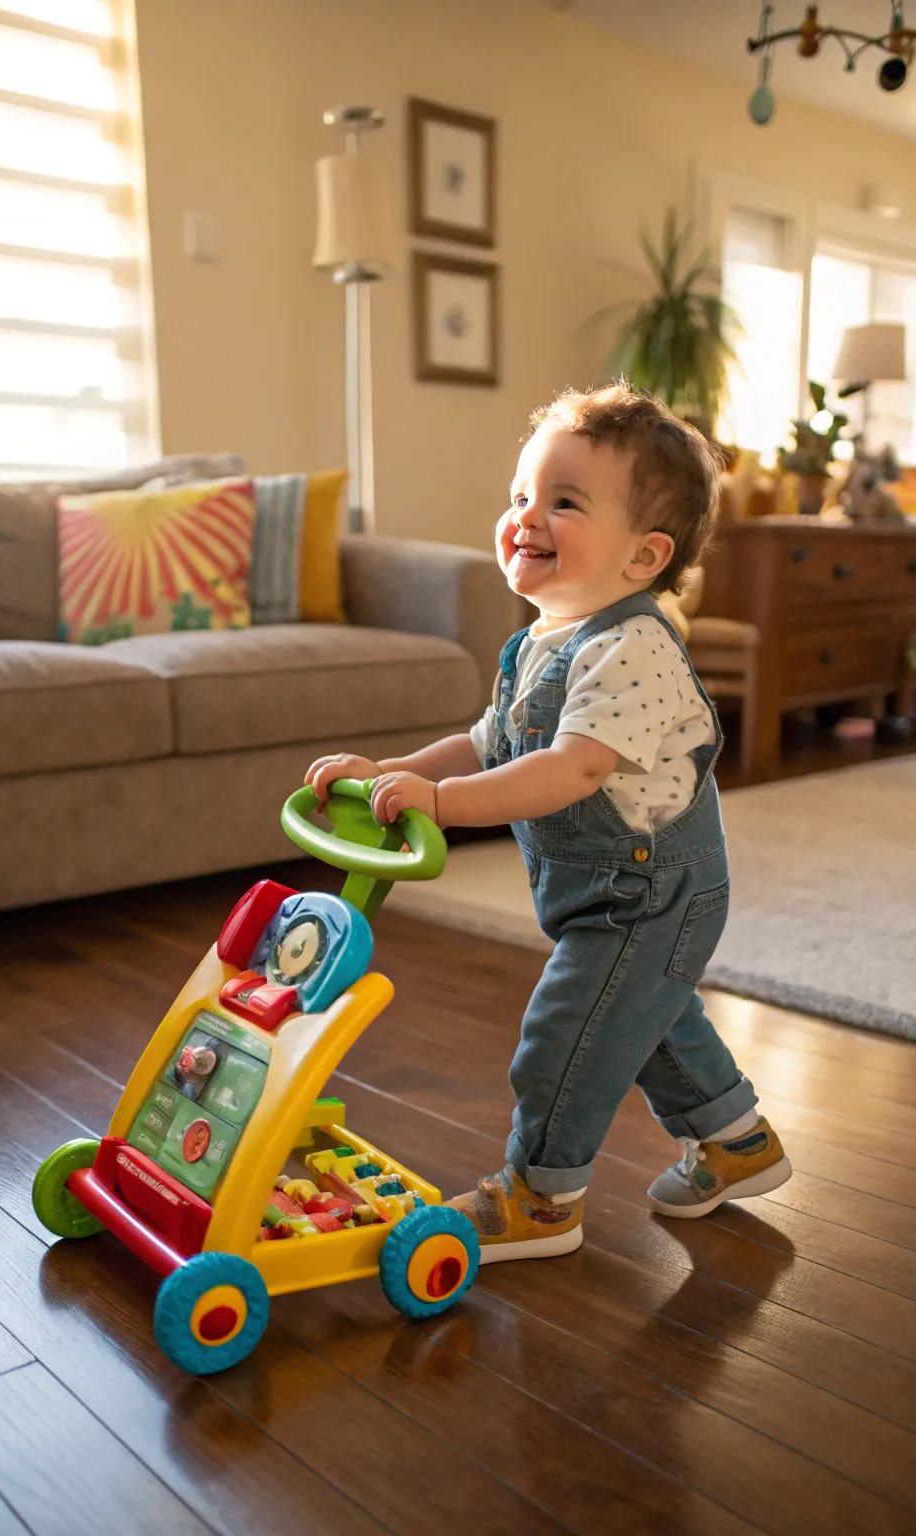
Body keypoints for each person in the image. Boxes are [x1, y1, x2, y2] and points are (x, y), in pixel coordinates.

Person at [306, 383, 791, 1262]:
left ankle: (541, 1196)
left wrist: (443, 810)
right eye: (521, 494)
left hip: (652, 892)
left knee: (567, 1038)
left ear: (645, 557)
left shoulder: (631, 648)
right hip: (605, 889)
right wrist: (395, 772)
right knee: (643, 1019)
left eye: (564, 502)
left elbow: (570, 771)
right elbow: (486, 741)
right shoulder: (544, 641)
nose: (527, 515)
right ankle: (738, 1141)